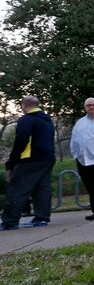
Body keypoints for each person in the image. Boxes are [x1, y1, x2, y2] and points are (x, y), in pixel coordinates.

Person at [1, 96, 56, 230]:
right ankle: (41, 218)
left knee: (17, 189)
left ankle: (10, 221)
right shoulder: (47, 120)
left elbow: (21, 141)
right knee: (42, 189)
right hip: (47, 158)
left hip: (30, 159)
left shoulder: (27, 120)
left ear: (24, 105)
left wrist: (12, 161)